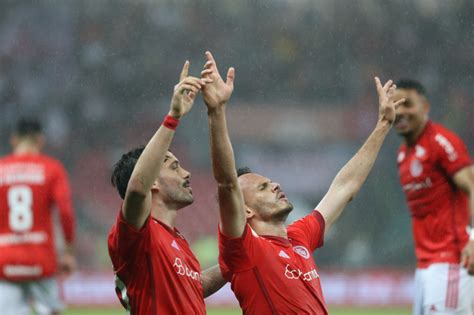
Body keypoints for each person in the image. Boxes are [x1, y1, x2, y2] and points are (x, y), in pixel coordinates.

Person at [201, 50, 402, 314]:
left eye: (271, 182)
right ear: (245, 210)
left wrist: (383, 125)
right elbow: (227, 183)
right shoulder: (245, 248)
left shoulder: (300, 237)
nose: (275, 186)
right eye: (263, 187)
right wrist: (217, 112)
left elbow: (345, 186)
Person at [107, 60, 226, 315]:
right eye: (173, 167)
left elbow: (195, 285)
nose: (186, 173)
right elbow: (137, 189)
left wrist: (234, 263)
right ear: (153, 182)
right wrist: (174, 116)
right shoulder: (136, 232)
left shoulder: (176, 240)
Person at [393, 79, 474, 315]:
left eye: (407, 104)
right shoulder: (402, 155)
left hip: (451, 261)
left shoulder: (441, 142)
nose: (400, 112)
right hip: (425, 266)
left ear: (426, 107)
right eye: (395, 104)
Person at [0, 118, 76, 315]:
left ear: (14, 140)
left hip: (6, 260)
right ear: (41, 140)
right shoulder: (52, 169)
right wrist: (67, 251)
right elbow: (65, 211)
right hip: (41, 259)